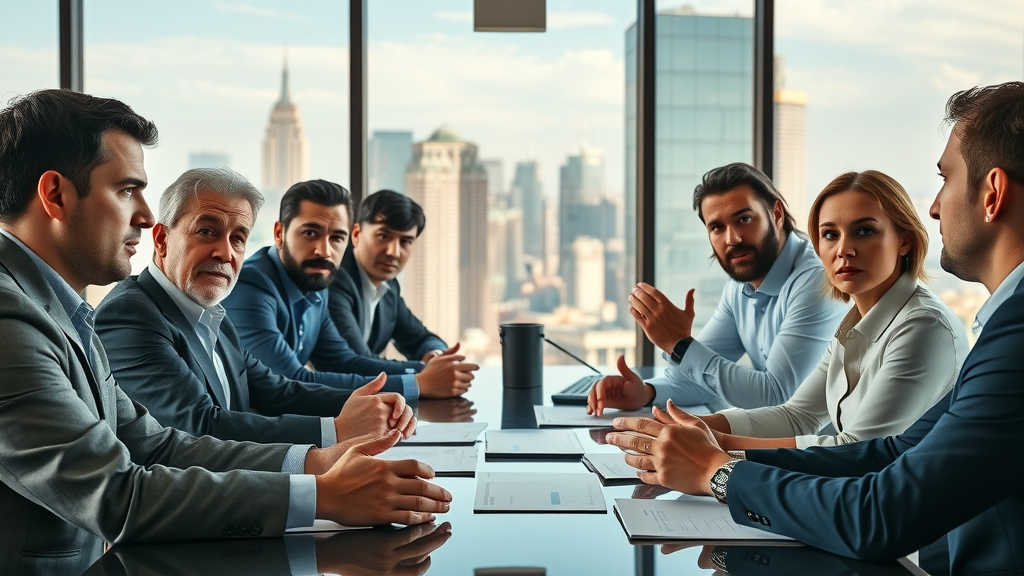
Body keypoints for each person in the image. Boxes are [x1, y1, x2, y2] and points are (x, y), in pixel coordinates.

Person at [0, 89, 450, 567]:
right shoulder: (14, 320)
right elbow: (118, 494)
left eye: (237, 237)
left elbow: (158, 445)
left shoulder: (62, 309)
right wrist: (320, 495)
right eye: (127, 189)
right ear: (55, 195)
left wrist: (319, 462)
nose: (146, 213)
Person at [606, 82, 1024, 574]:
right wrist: (709, 442)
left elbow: (879, 507)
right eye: (829, 235)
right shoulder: (992, 322)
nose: (935, 206)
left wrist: (718, 471)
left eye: (945, 179)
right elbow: (887, 450)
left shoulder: (987, 329)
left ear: (992, 194)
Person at [95, 167, 413, 447]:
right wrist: (336, 430)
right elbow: (199, 427)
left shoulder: (212, 314)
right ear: (162, 239)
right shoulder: (131, 316)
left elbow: (278, 390)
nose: (225, 253)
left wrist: (374, 404)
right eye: (207, 232)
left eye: (238, 238)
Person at [692, 170, 967, 450]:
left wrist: (714, 445)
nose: (843, 250)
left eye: (864, 231)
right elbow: (797, 416)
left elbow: (856, 448)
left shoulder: (924, 326)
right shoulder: (853, 327)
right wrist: (691, 426)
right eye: (830, 235)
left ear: (904, 242)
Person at [588, 163, 848, 413]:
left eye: (744, 219)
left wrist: (679, 344)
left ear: (776, 215)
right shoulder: (739, 289)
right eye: (717, 227)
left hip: (830, 449)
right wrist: (646, 393)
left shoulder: (815, 280)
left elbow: (778, 396)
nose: (732, 239)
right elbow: (700, 379)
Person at [222, 180, 477, 399]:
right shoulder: (252, 284)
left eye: (336, 237)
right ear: (279, 234)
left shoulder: (316, 285)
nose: (324, 250)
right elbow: (290, 380)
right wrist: (418, 384)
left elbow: (343, 361)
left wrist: (424, 370)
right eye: (310, 233)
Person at [328, 190, 464, 368]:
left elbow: (420, 338)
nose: (394, 252)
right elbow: (354, 360)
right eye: (383, 236)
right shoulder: (334, 278)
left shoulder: (389, 287)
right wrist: (425, 371)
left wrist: (435, 356)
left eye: (405, 241)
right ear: (356, 234)